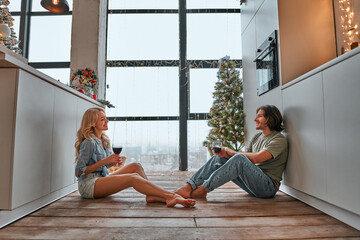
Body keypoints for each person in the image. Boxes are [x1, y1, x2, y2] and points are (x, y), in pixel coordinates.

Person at [75, 107, 196, 208]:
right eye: (102, 119)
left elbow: (103, 166)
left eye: (106, 118)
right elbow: (79, 172)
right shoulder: (89, 142)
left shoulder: (103, 140)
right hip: (89, 185)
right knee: (132, 178)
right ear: (93, 123)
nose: (107, 121)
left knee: (136, 166)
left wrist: (111, 163)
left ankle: (151, 195)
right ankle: (170, 196)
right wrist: (105, 161)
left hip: (102, 178)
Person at [175, 105, 288, 199]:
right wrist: (226, 156)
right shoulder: (257, 137)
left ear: (270, 119)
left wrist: (232, 153)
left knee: (239, 158)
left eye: (259, 116)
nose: (255, 119)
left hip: (267, 188)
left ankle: (203, 190)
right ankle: (189, 186)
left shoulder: (278, 140)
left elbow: (256, 158)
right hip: (252, 184)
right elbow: (247, 161)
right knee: (219, 158)